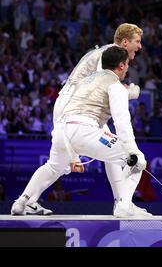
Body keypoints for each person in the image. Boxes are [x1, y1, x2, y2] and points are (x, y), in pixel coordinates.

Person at [10, 23, 144, 217]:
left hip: (69, 108)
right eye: (137, 42)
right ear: (125, 42)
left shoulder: (106, 53)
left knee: (57, 164)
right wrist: (131, 92)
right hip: (76, 107)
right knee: (119, 150)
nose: (139, 47)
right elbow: (106, 85)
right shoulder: (107, 58)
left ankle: (25, 201)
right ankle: (122, 203)